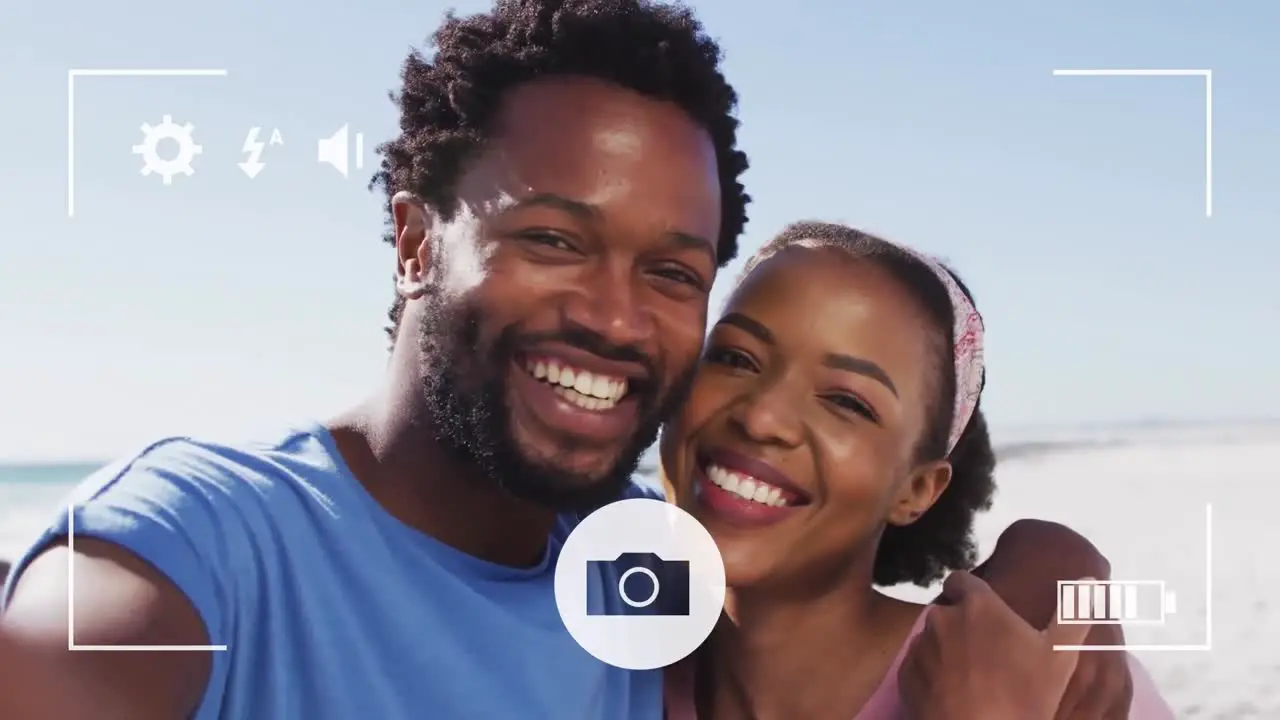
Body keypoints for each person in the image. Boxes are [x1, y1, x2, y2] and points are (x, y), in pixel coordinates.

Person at [0, 1, 1125, 718]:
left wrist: (1064, 576)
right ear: (410, 241)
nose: (614, 318)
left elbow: (996, 567)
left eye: (672, 273)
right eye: (551, 239)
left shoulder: (642, 569)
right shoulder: (208, 544)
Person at [658, 222, 1173, 719]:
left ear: (918, 489)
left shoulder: (1051, 691)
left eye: (846, 402)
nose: (761, 416)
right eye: (735, 358)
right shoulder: (616, 662)